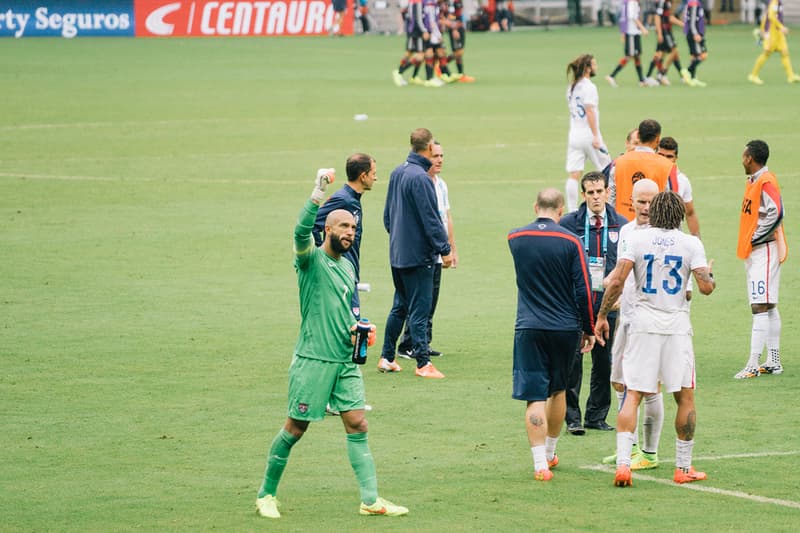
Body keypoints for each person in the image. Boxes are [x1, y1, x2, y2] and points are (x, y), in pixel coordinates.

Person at [255, 170, 408, 519]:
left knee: (358, 423)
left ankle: (370, 499)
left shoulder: (347, 269)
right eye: (343, 227)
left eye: (353, 229)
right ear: (328, 230)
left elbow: (344, 310)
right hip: (313, 360)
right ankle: (266, 494)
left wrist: (359, 329)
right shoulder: (310, 261)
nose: (349, 233)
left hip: (344, 361)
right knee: (296, 427)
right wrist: (317, 194)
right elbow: (298, 233)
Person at [595, 191, 716, 487]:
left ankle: (624, 464)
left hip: (643, 325)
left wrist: (600, 316)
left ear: (656, 212)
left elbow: (618, 281)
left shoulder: (637, 240)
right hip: (676, 328)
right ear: (677, 214)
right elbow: (705, 288)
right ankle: (683, 468)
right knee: (684, 396)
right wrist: (710, 274)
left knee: (633, 393)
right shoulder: (691, 244)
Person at [508, 188, 596, 481]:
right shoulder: (572, 241)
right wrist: (589, 327)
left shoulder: (515, 238)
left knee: (534, 395)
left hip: (529, 326)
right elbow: (583, 287)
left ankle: (539, 465)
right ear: (561, 211)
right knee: (558, 391)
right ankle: (550, 452)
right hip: (564, 327)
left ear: (535, 206)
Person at [600, 178, 664, 470]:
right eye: (641, 201)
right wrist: (611, 282)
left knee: (649, 386)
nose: (646, 207)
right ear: (631, 202)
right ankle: (631, 445)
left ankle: (649, 454)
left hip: (652, 320)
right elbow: (622, 267)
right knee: (619, 380)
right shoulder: (626, 231)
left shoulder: (665, 234)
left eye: (652, 201)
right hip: (626, 316)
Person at [380, 128, 453, 378]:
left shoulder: (397, 172)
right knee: (420, 310)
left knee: (399, 306)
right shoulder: (421, 178)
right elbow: (431, 220)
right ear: (429, 147)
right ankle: (423, 363)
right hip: (419, 256)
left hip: (398, 254)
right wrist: (445, 249)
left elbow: (387, 217)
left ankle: (387, 357)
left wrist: (400, 239)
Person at [560, 172, 628, 435]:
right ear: (583, 194)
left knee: (604, 362)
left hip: (608, 304)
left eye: (600, 191)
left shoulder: (621, 225)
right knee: (573, 361)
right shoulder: (569, 224)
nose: (596, 197)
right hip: (577, 304)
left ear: (607, 191)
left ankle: (596, 416)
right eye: (590, 192)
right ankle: (572, 417)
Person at [397, 141, 458, 358]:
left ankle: (423, 341)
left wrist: (452, 247)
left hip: (438, 251)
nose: (440, 160)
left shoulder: (441, 184)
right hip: (422, 252)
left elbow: (446, 217)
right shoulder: (420, 182)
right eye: (436, 156)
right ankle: (408, 344)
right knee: (418, 302)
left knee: (431, 300)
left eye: (442, 156)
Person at [734, 140, 788, 379]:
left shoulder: (766, 182)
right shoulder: (754, 181)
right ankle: (774, 361)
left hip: (764, 250)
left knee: (759, 306)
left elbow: (777, 212)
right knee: (769, 304)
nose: (742, 158)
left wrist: (755, 237)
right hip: (757, 251)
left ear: (750, 158)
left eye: (744, 154)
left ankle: (753, 364)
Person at [313, 153, 378, 318]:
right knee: (353, 329)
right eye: (373, 174)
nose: (375, 178)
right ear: (363, 176)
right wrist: (324, 259)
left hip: (350, 273)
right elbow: (313, 224)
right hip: (341, 276)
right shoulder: (344, 199)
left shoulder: (352, 199)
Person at [565, 54, 612, 212]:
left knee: (574, 174)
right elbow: (590, 111)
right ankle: (609, 207)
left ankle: (571, 210)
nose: (596, 67)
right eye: (594, 64)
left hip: (574, 135)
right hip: (588, 135)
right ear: (587, 68)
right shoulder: (589, 87)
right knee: (607, 170)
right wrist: (596, 136)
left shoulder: (572, 87)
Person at [608, 118, 679, 221]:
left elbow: (610, 200)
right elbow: (672, 205)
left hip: (622, 228)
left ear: (638, 136)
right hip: (653, 229)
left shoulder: (618, 163)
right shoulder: (667, 166)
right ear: (658, 139)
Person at [748, 0, 800, 85]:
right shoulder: (774, 2)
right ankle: (753, 75)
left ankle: (791, 76)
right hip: (772, 32)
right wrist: (781, 27)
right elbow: (771, 16)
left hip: (778, 32)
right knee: (766, 53)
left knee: (784, 52)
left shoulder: (777, 2)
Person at [657, 136, 700, 238]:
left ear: (676, 158)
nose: (664, 159)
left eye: (669, 156)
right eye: (660, 155)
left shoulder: (682, 180)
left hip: (674, 237)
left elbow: (690, 213)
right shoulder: (648, 176)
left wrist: (697, 240)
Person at [606, 0, 654, 87]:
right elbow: (633, 17)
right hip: (631, 33)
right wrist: (643, 28)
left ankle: (641, 80)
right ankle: (611, 76)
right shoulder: (632, 3)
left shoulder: (629, 3)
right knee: (629, 56)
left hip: (634, 32)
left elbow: (624, 18)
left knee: (636, 56)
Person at [644, 0, 686, 85]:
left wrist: (683, 24)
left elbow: (670, 18)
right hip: (664, 31)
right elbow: (657, 17)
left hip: (667, 31)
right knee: (673, 51)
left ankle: (649, 76)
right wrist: (659, 33)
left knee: (660, 54)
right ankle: (662, 74)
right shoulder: (662, 2)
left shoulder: (668, 2)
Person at [441, 0, 476, 82]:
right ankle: (442, 64)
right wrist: (454, 29)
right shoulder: (452, 2)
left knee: (460, 52)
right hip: (455, 28)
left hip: (459, 27)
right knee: (458, 52)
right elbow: (451, 15)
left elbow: (459, 12)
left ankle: (461, 74)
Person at [392, 0, 425, 86]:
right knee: (415, 54)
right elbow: (413, 15)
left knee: (415, 53)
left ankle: (414, 77)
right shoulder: (415, 2)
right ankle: (399, 72)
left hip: (415, 30)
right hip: (415, 31)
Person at [681, 0, 709, 87]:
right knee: (703, 55)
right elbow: (692, 21)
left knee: (694, 56)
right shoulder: (693, 3)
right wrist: (695, 33)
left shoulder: (695, 2)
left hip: (696, 33)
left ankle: (692, 78)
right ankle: (687, 71)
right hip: (694, 34)